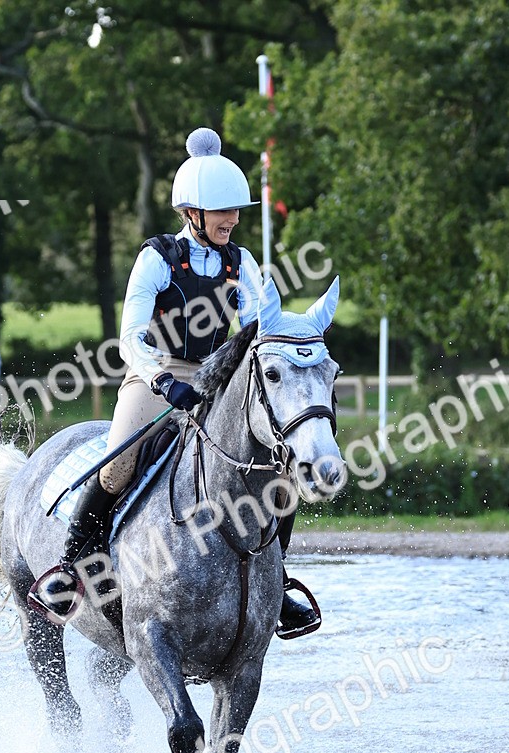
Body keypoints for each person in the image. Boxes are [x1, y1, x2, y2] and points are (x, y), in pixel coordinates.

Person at [36, 128, 317, 635]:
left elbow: (262, 326)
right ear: (193, 213)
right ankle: (73, 564)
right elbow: (129, 339)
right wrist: (164, 382)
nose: (233, 219)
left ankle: (277, 583)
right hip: (156, 374)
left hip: (220, 378)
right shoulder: (158, 258)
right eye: (224, 211)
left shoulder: (241, 261)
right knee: (120, 458)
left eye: (237, 211)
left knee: (279, 468)